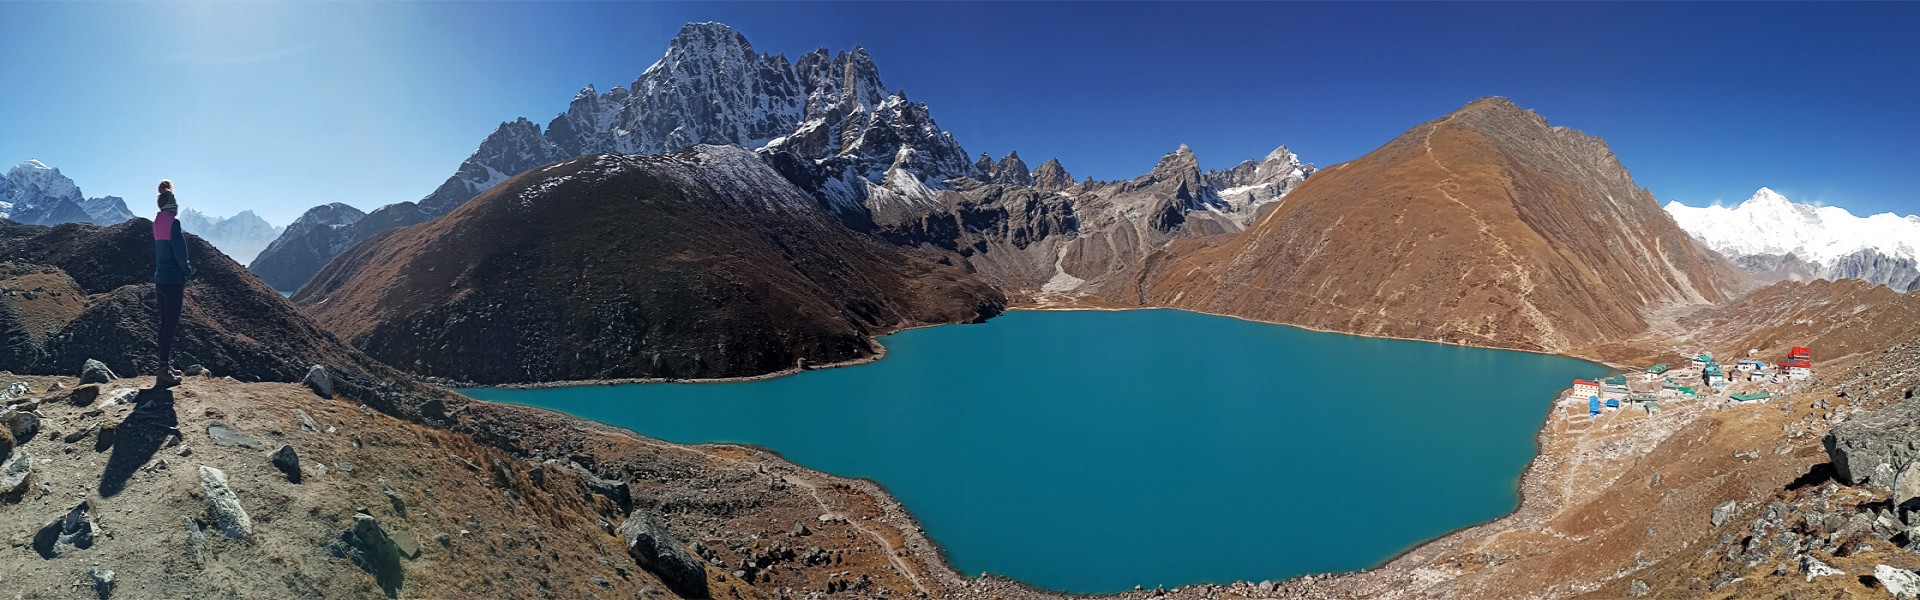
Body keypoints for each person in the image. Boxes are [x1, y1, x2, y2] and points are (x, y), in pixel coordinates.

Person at [152, 180, 192, 388]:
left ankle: (163, 366)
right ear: (171, 205)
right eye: (175, 202)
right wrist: (187, 269)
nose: (177, 206)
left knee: (164, 325)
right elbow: (180, 252)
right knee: (171, 325)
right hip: (174, 280)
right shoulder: (174, 223)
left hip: (160, 279)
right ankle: (163, 371)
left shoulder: (157, 222)